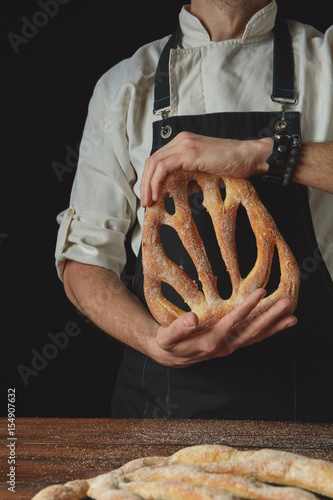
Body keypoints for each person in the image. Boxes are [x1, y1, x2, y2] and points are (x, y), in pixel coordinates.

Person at [55, 0, 333, 420]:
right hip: (163, 411)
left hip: (313, 409)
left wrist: (262, 154)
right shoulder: (126, 87)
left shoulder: (325, 62)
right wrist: (154, 341)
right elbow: (84, 262)